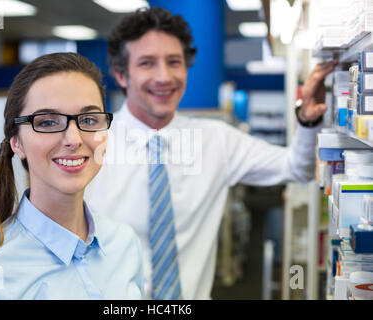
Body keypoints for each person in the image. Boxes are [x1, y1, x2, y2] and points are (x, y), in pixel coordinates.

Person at [84, 7, 337, 299]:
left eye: (174, 62)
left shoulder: (217, 141)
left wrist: (307, 121)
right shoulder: (90, 146)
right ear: (121, 75)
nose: (164, 76)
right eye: (147, 63)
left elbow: (297, 168)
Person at [0, 52, 144, 299]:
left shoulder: (123, 243)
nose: (73, 140)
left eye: (90, 119)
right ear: (16, 142)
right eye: (48, 122)